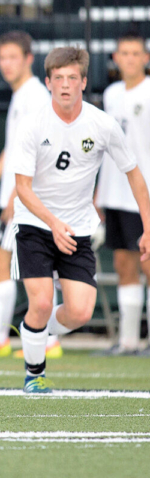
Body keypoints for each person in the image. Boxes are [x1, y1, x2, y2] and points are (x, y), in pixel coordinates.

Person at [10, 47, 150, 394]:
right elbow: (22, 189)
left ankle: (33, 332)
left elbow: (134, 174)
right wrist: (53, 223)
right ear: (48, 83)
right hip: (36, 224)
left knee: (80, 312)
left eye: (73, 78)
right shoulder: (34, 125)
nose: (65, 85)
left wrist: (148, 227)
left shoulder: (102, 124)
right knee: (41, 302)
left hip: (78, 227)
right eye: (58, 78)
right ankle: (34, 373)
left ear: (84, 82)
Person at [0, 31, 61, 359]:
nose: (6, 64)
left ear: (28, 59)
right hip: (20, 196)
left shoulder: (33, 96)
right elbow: (13, 149)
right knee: (6, 262)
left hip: (26, 198)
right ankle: (10, 337)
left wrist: (18, 196)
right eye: (2, 58)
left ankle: (33, 340)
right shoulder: (22, 96)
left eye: (12, 58)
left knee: (18, 264)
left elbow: (38, 151)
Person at [95, 31, 150, 355]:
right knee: (123, 263)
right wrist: (99, 192)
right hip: (114, 194)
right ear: (115, 58)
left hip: (142, 194)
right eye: (123, 53)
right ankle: (128, 340)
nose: (129, 58)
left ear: (145, 58)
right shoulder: (112, 93)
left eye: (135, 53)